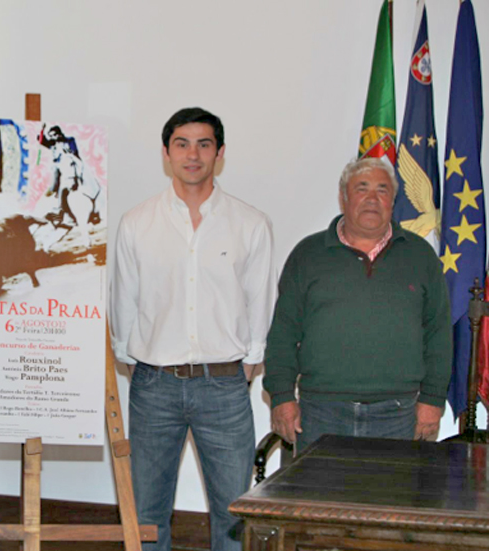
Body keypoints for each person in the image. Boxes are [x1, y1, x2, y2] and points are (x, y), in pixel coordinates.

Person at [110, 107, 276, 551]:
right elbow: (123, 303)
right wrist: (137, 364)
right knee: (148, 512)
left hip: (223, 387)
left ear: (219, 153)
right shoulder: (137, 222)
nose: (193, 154)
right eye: (182, 144)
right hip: (154, 386)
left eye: (204, 144)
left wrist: (247, 365)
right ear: (166, 153)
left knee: (233, 515)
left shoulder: (250, 223)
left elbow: (260, 302)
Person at [263, 158, 451, 454]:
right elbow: (283, 333)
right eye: (362, 189)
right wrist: (282, 396)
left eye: (382, 190)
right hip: (321, 411)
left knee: (391, 488)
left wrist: (433, 400)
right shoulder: (308, 255)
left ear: (393, 200)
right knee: (319, 488)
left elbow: (439, 334)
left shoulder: (420, 256)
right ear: (344, 198)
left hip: (397, 414)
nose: (372, 199)